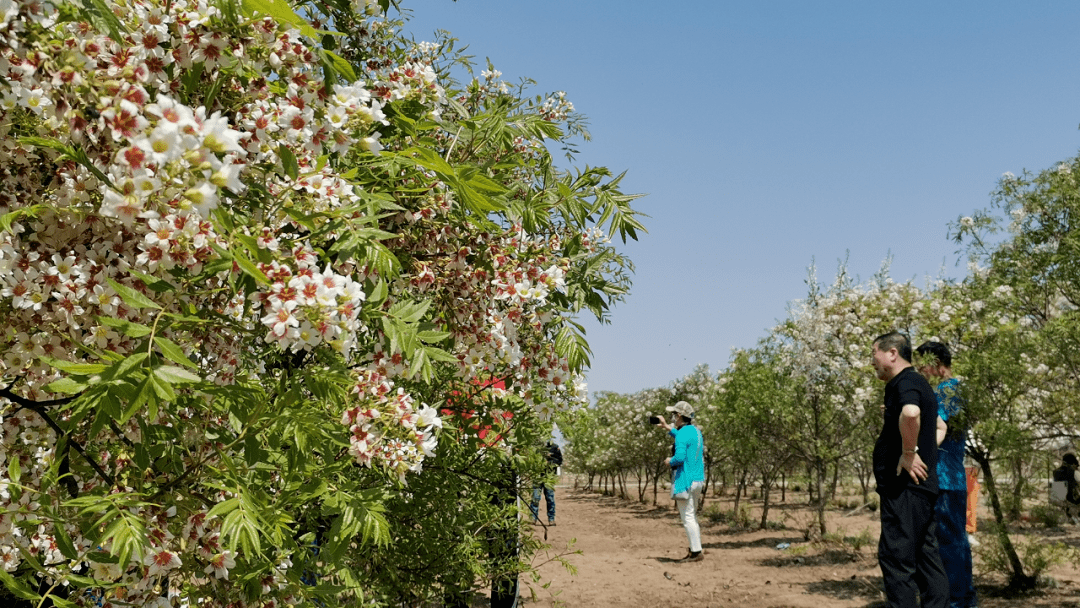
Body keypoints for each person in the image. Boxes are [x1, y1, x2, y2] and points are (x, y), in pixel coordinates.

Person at [871, 332, 948, 608]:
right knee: (926, 558)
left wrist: (909, 454)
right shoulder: (918, 383)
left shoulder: (906, 381)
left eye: (874, 354)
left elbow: (912, 414)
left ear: (892, 353)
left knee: (897, 560)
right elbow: (940, 427)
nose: (872, 362)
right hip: (921, 488)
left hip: (904, 489)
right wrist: (923, 450)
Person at [917, 341, 977, 608]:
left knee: (949, 544)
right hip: (952, 477)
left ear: (936, 364)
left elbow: (937, 427)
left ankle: (956, 601)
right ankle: (963, 599)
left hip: (944, 479)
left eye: (923, 364)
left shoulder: (948, 390)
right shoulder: (956, 389)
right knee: (956, 542)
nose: (920, 370)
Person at [654, 400, 706, 563]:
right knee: (692, 515)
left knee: (687, 518)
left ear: (678, 416)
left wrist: (670, 460)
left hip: (686, 480)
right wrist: (665, 427)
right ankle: (695, 549)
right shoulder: (695, 432)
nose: (672, 418)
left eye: (673, 415)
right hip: (698, 480)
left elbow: (680, 457)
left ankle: (696, 552)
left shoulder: (683, 433)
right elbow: (680, 435)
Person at [530, 441, 563, 526]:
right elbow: (531, 460)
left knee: (550, 499)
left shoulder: (554, 447)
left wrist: (550, 462)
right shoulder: (537, 447)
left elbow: (559, 460)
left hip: (549, 477)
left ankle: (551, 519)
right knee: (535, 498)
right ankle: (533, 518)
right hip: (537, 476)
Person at [1052, 453, 1080, 523]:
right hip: (1070, 500)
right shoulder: (1074, 473)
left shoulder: (1055, 472)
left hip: (1057, 499)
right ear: (1073, 464)